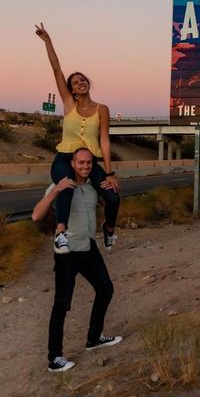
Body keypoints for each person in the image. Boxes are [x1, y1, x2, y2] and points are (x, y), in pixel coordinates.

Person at [32, 147, 123, 373]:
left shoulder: (92, 187)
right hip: (68, 254)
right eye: (80, 163)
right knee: (61, 305)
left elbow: (110, 203)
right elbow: (36, 215)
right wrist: (55, 191)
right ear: (72, 164)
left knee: (106, 289)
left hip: (89, 249)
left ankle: (94, 338)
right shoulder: (59, 187)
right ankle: (55, 358)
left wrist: (111, 184)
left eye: (89, 163)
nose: (85, 167)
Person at [35, 22, 120, 253]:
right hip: (64, 159)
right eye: (75, 82)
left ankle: (109, 228)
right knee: (66, 186)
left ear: (88, 84)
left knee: (112, 197)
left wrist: (110, 173)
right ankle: (60, 232)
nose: (80, 83)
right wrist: (48, 41)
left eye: (83, 80)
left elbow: (104, 139)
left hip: (88, 162)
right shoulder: (68, 104)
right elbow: (56, 69)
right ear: (71, 90)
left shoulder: (102, 108)